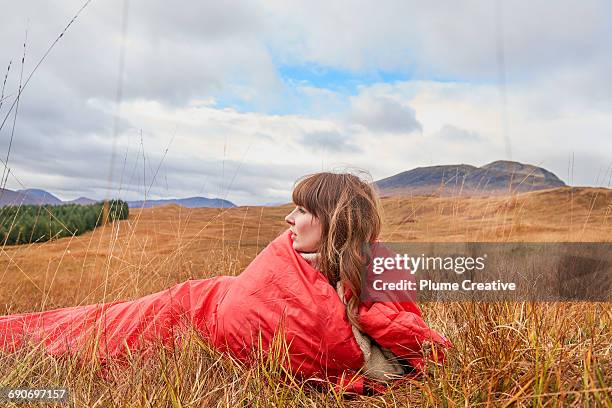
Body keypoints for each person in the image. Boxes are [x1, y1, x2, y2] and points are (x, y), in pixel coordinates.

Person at [0, 171, 449, 394]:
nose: (288, 218)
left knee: (88, 338)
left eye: (302, 211)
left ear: (332, 222)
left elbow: (343, 340)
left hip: (191, 317)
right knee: (84, 323)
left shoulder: (366, 277)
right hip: (193, 300)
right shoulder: (316, 268)